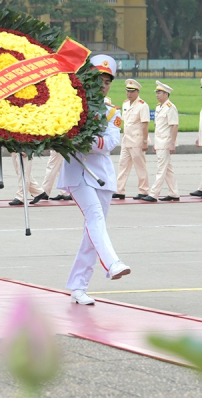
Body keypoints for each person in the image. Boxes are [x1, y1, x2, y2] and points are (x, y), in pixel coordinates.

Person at [57, 54, 131, 306]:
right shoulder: (71, 105)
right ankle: (112, 263)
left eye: (107, 81)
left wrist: (85, 140)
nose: (102, 84)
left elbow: (110, 142)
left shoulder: (112, 111)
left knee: (92, 233)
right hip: (77, 173)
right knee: (95, 219)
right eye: (98, 79)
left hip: (102, 176)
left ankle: (78, 286)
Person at [142, 81, 179, 202]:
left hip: (166, 142)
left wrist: (172, 143)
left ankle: (153, 194)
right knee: (168, 169)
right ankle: (174, 193)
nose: (157, 95)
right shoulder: (158, 107)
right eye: (156, 92)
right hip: (160, 142)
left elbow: (174, 126)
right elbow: (158, 127)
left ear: (166, 94)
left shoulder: (170, 108)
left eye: (160, 92)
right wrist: (155, 144)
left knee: (161, 169)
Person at [113, 79, 149, 200]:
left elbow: (145, 125)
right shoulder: (125, 104)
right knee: (122, 165)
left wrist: (144, 142)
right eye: (127, 91)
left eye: (132, 91)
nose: (129, 94)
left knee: (140, 166)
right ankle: (119, 190)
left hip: (137, 141)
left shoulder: (143, 105)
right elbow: (126, 123)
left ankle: (144, 191)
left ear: (137, 92)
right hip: (126, 140)